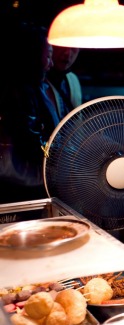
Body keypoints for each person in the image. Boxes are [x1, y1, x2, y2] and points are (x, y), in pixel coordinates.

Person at [0, 23, 59, 203]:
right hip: (21, 188)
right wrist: (62, 155)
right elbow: (29, 142)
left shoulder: (37, 88)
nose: (51, 64)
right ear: (32, 56)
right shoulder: (20, 92)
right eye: (48, 56)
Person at [48, 45, 82, 116]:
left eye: (73, 48)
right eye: (61, 46)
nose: (68, 53)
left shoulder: (73, 79)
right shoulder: (37, 81)